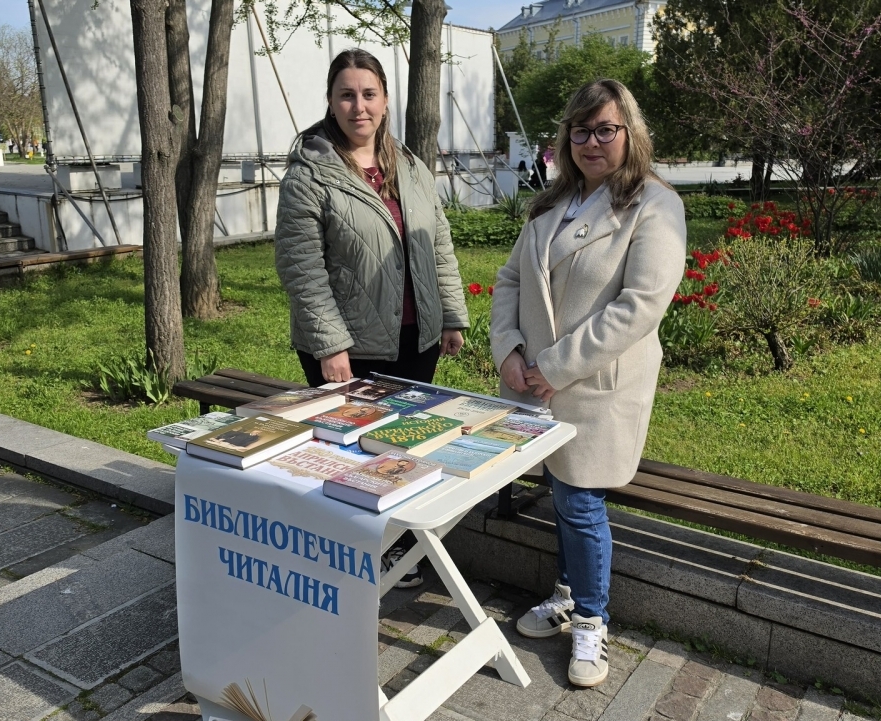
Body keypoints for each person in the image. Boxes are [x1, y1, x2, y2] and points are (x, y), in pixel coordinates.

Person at [491, 79, 687, 688]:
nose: (592, 142)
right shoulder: (552, 203)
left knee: (579, 503)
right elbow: (510, 281)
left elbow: (640, 306)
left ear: (630, 133)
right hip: (533, 385)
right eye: (581, 130)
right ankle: (568, 594)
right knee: (559, 493)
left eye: (606, 130)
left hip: (595, 388)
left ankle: (591, 621)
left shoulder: (654, 205)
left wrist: (553, 367)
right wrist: (508, 349)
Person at [274, 48, 470, 589]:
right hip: (350, 347)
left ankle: (398, 548)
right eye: (346, 95)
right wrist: (329, 345)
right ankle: (354, 553)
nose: (358, 106)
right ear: (331, 101)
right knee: (353, 455)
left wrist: (451, 314)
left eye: (368, 94)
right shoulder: (310, 174)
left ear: (385, 100)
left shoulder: (409, 166)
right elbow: (301, 268)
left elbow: (438, 244)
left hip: (416, 338)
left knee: (403, 447)